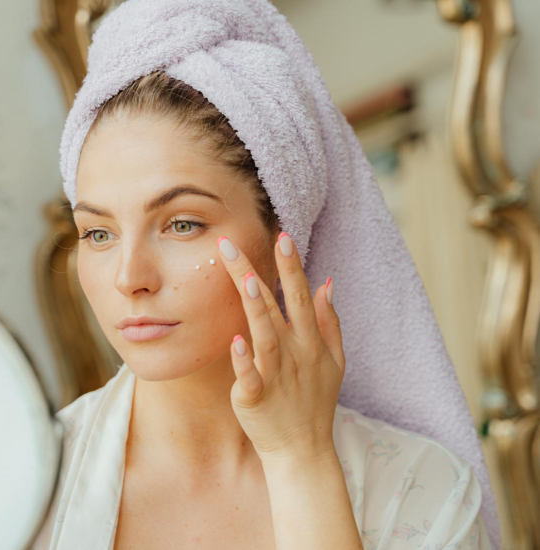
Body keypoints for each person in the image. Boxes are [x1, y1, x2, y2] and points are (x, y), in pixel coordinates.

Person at [31, 69, 493, 549]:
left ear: (281, 233)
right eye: (98, 234)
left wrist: (302, 459)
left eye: (182, 224)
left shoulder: (422, 490)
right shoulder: (19, 484)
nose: (129, 278)